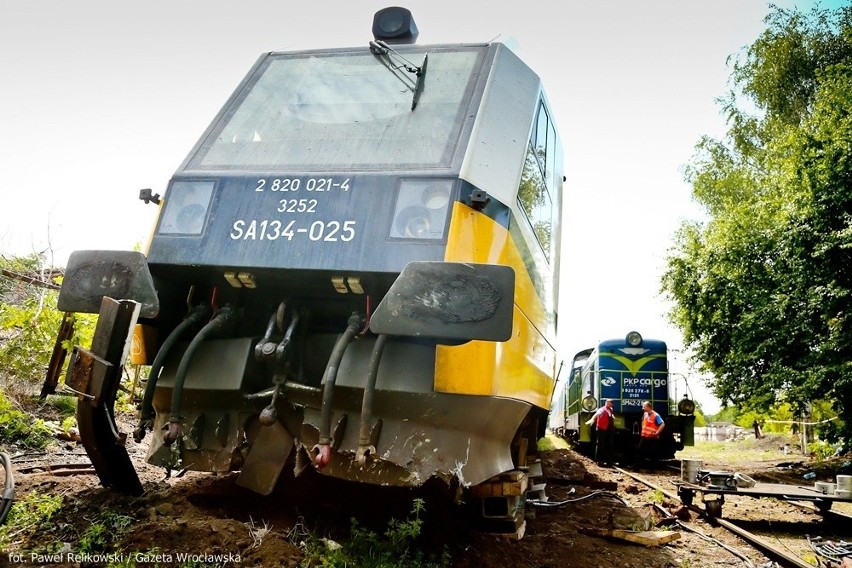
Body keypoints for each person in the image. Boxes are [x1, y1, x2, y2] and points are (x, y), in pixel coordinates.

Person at [585, 399, 616, 465]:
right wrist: (592, 420)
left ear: (611, 404)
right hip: (601, 428)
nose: (607, 404)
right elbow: (596, 414)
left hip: (608, 429)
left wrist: (613, 417)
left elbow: (611, 415)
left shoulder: (611, 409)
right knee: (600, 444)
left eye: (609, 403)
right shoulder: (602, 409)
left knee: (609, 444)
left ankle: (608, 461)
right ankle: (598, 460)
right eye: (607, 402)